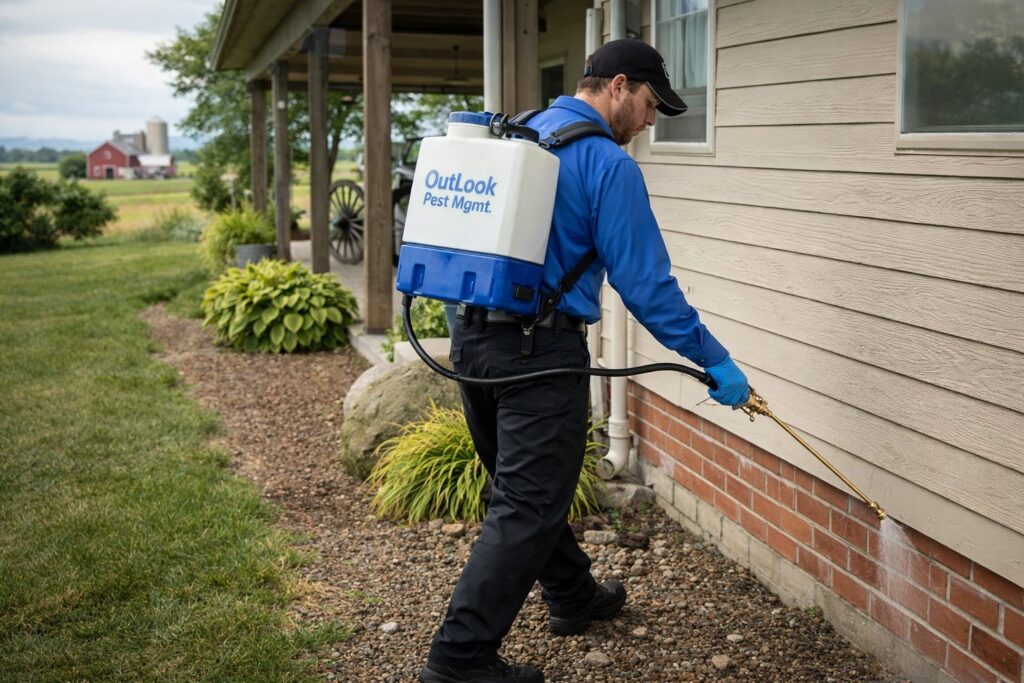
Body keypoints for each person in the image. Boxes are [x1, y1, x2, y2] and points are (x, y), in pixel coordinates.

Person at [419, 38, 750, 683]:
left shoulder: (517, 135)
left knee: (526, 492)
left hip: (471, 342)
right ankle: (457, 660)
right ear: (619, 86)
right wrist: (714, 360)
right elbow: (648, 286)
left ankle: (572, 596)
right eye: (651, 105)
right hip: (539, 353)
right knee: (529, 504)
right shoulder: (606, 165)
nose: (652, 122)